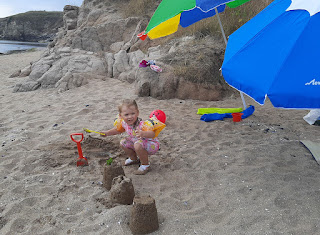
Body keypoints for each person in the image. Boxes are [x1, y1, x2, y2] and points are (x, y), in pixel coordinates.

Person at [100, 99, 161, 175]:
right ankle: (133, 159)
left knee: (137, 145)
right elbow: (118, 130)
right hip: (138, 142)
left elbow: (152, 134)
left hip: (151, 144)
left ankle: (145, 165)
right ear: (120, 115)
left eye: (133, 113)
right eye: (126, 115)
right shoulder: (123, 123)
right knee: (123, 142)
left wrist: (143, 133)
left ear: (137, 113)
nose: (130, 117)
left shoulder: (142, 124)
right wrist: (107, 133)